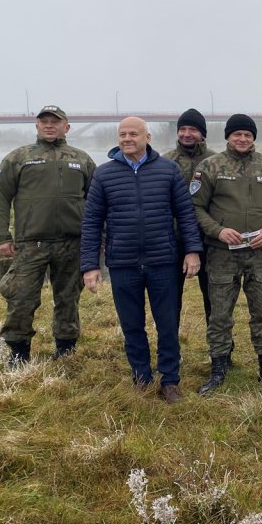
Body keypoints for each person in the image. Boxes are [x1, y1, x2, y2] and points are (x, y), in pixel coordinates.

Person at [80, 117, 203, 404]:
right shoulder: (104, 175)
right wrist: (90, 265)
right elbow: (92, 222)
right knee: (132, 325)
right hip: (123, 264)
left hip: (163, 262)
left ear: (147, 137)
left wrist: (193, 251)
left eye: (133, 134)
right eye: (122, 134)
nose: (126, 139)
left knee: (167, 324)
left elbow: (185, 214)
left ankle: (170, 381)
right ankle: (141, 378)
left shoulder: (168, 170)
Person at [190, 114, 262, 394]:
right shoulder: (210, 167)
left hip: (260, 254)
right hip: (222, 253)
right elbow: (196, 207)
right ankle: (218, 370)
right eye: (237, 134)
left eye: (247, 135)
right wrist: (217, 230)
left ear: (254, 138)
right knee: (220, 315)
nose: (242, 139)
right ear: (227, 136)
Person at [0, 105, 96, 365]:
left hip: (72, 243)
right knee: (21, 298)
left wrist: (98, 238)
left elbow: (97, 201)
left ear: (66, 127)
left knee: (68, 299)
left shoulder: (82, 159)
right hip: (30, 244)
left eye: (55, 122)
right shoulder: (18, 157)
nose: (49, 125)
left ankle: (66, 351)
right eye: (44, 121)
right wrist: (1, 237)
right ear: (37, 126)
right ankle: (17, 352)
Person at [163, 108, 215, 324]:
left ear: (202, 133)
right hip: (172, 240)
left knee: (214, 299)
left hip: (210, 240)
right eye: (182, 129)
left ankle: (220, 352)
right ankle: (171, 352)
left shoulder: (216, 161)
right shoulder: (164, 162)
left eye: (192, 129)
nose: (186, 134)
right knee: (170, 299)